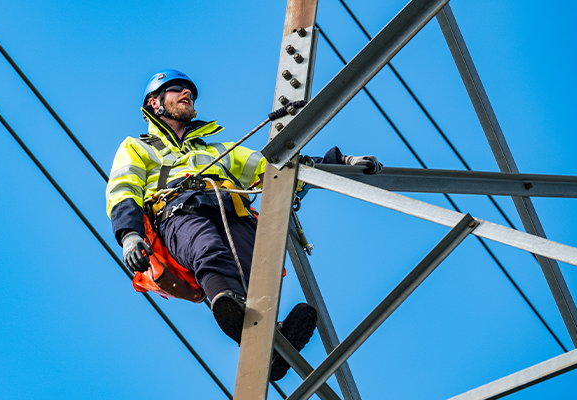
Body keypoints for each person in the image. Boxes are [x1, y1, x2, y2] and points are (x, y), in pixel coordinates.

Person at [105, 69, 381, 380]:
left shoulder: (218, 151)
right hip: (179, 213)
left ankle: (271, 343)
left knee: (258, 270)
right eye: (178, 90)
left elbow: (280, 167)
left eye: (190, 93)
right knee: (208, 250)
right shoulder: (137, 147)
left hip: (233, 211)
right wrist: (129, 235)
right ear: (154, 103)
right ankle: (231, 308)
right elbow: (123, 188)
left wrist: (338, 163)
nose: (188, 95)